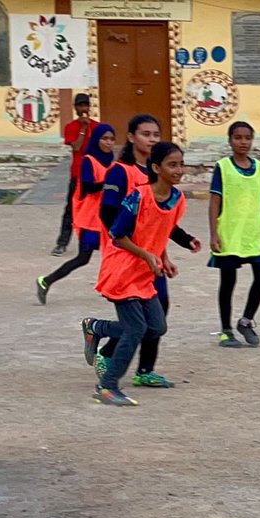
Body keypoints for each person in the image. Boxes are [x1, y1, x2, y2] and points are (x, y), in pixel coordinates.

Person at [81, 142, 190, 407]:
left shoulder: (177, 199)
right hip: (122, 271)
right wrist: (147, 255)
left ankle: (97, 328)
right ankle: (106, 387)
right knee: (136, 329)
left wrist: (164, 258)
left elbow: (159, 231)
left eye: (180, 164)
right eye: (172, 165)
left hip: (145, 274)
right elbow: (118, 236)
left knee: (156, 327)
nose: (178, 170)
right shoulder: (137, 197)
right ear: (156, 168)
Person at [95, 115, 198, 388]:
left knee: (156, 321)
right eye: (145, 134)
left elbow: (162, 224)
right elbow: (110, 218)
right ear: (131, 137)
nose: (151, 139)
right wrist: (135, 248)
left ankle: (141, 366)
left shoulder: (173, 194)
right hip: (126, 258)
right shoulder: (124, 175)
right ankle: (109, 381)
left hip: (150, 260)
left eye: (156, 134)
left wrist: (175, 247)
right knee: (136, 326)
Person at [209, 121, 260, 347]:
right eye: (238, 137)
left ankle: (246, 320)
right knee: (228, 281)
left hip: (255, 232)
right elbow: (214, 202)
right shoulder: (222, 167)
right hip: (230, 232)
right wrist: (214, 233)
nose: (243, 142)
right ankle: (226, 330)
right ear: (230, 140)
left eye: (247, 138)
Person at [36, 123, 115, 304]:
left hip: (105, 215)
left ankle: (114, 288)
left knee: (113, 252)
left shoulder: (109, 160)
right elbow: (88, 187)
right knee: (83, 257)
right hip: (90, 216)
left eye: (112, 139)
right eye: (105, 139)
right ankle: (46, 281)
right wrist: (108, 183)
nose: (109, 143)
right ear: (97, 140)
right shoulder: (89, 160)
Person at [53, 93, 99, 256]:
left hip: (94, 175)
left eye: (85, 105)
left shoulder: (98, 127)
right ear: (76, 108)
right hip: (78, 175)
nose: (83, 109)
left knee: (100, 209)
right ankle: (62, 243)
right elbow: (77, 147)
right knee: (71, 210)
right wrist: (83, 129)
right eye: (80, 106)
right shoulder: (71, 127)